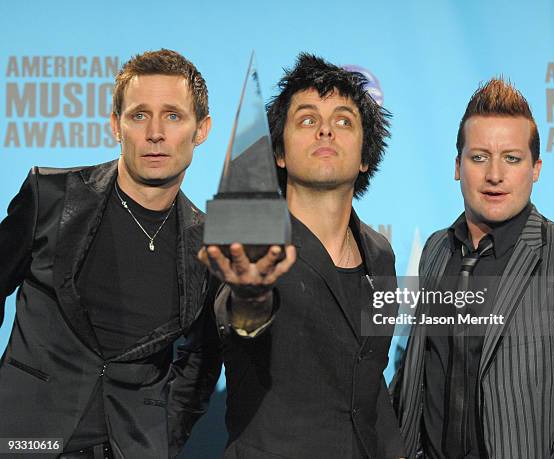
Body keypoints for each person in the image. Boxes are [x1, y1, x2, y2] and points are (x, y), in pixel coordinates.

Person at [0, 49, 222, 459]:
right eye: (139, 115)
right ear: (116, 125)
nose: (155, 132)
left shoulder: (210, 244)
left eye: (173, 116)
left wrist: (165, 437)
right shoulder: (50, 196)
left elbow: (203, 358)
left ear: (201, 129)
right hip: (22, 437)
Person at [391, 78, 554, 458]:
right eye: (479, 157)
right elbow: (415, 374)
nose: (495, 174)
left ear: (536, 168)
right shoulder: (435, 250)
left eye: (512, 158)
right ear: (457, 166)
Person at [199, 53, 405, 458]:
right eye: (307, 119)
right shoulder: (249, 236)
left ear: (366, 156)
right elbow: (240, 321)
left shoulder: (380, 256)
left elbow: (368, 382)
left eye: (344, 120)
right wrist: (251, 296)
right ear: (279, 153)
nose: (326, 130)